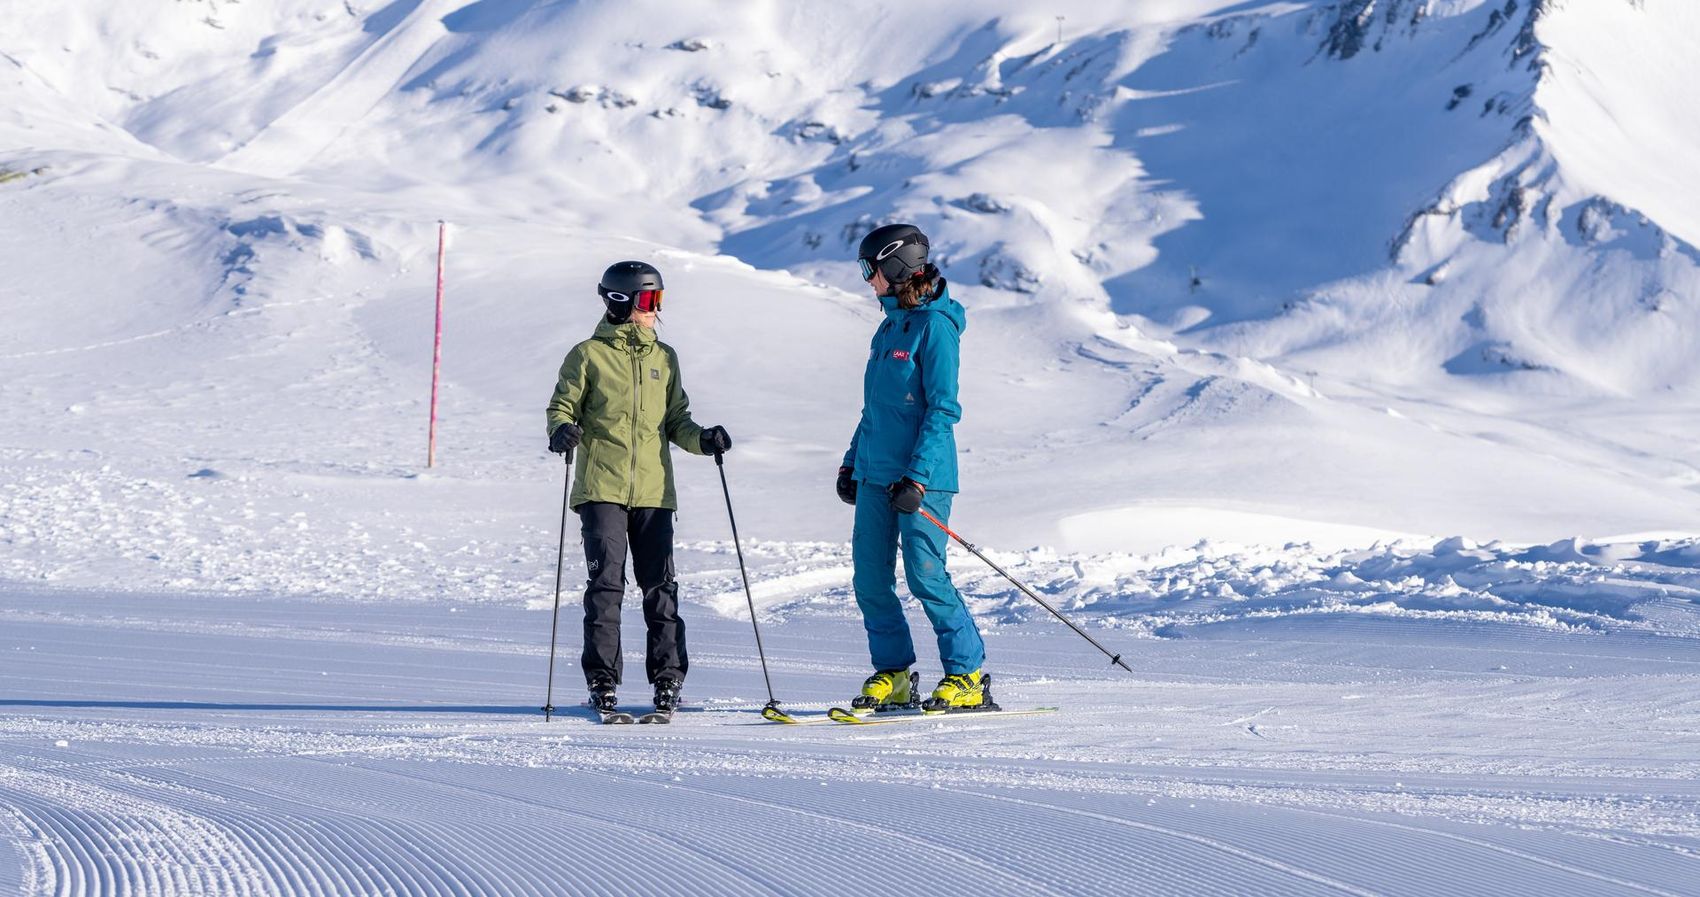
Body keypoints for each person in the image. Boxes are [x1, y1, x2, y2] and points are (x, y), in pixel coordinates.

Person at [545, 260, 732, 717]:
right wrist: (562, 431)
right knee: (606, 587)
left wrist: (703, 439)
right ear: (621, 301)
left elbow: (676, 421)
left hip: (654, 491)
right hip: (601, 489)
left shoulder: (664, 358)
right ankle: (602, 681)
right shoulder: (587, 355)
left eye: (659, 300)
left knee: (660, 587)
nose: (656, 310)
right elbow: (561, 407)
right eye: (650, 301)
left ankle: (668, 679)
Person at [838, 224, 990, 714]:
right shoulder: (888, 327)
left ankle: (966, 675)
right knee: (869, 579)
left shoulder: (936, 327)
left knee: (926, 575)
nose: (868, 280)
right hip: (875, 475)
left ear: (895, 267)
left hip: (921, 480)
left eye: (871, 269)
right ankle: (895, 673)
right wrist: (850, 463)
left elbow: (942, 409)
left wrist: (919, 476)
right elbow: (875, 409)